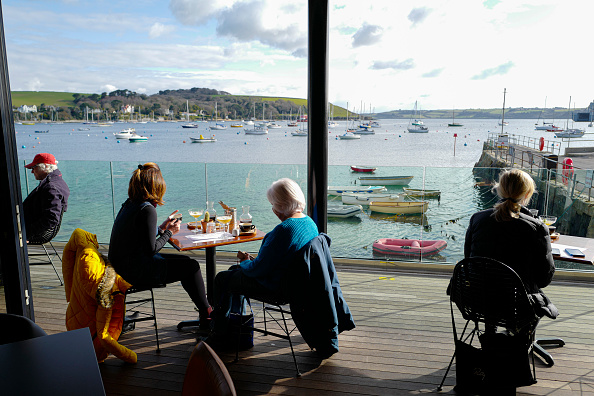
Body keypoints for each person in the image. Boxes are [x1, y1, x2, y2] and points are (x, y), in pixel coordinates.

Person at [210, 178, 319, 338]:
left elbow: (257, 270)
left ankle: (218, 334)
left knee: (221, 279)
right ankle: (235, 327)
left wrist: (245, 261)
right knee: (234, 272)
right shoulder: (310, 223)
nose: (273, 210)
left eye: (273, 205)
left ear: (279, 207)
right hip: (296, 286)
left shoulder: (283, 231)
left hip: (276, 287)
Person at [108, 162, 212, 327]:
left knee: (187, 264)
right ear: (156, 187)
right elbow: (150, 250)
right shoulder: (148, 210)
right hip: (135, 271)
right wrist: (170, 232)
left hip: (121, 266)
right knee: (191, 267)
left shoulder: (130, 204)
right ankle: (208, 314)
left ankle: (205, 312)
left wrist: (160, 228)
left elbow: (137, 236)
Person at [464, 169, 557, 317]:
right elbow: (544, 278)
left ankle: (491, 333)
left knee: (493, 292)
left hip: (477, 295)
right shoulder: (537, 228)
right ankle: (518, 337)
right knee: (536, 300)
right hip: (517, 301)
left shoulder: (477, 219)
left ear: (499, 189)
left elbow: (469, 260)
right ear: (527, 194)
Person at [23, 153, 70, 242]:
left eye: (34, 168)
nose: (32, 171)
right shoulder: (57, 182)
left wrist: (25, 235)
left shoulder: (51, 187)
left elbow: (51, 218)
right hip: (37, 230)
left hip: (36, 233)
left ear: (45, 166)